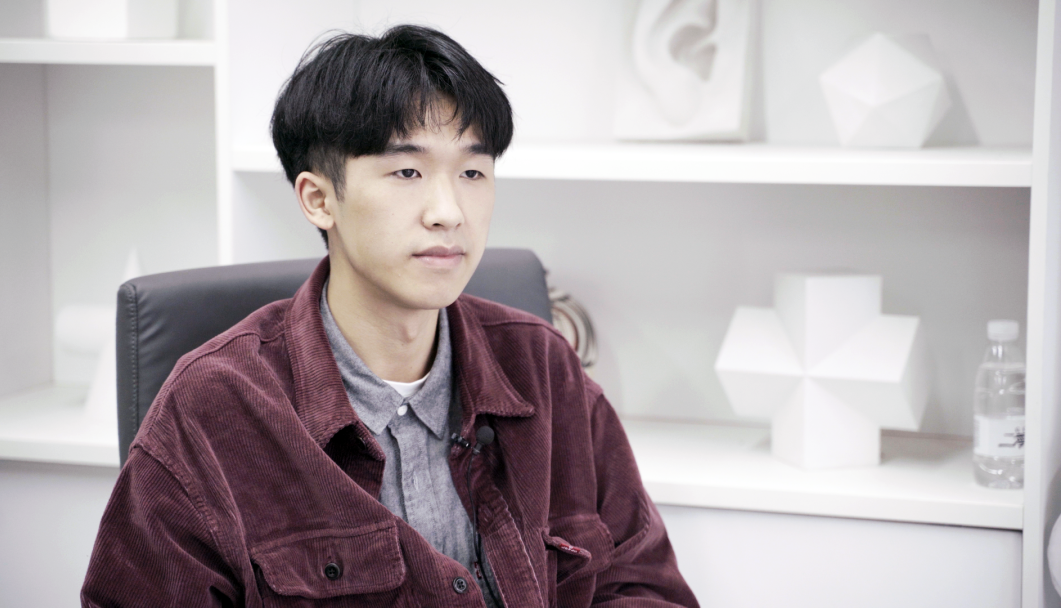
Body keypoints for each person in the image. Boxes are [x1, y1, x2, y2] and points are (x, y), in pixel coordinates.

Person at [81, 25, 698, 607]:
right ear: (318, 199)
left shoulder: (545, 367)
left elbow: (642, 586)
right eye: (407, 171)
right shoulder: (211, 409)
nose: (448, 211)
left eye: (473, 172)